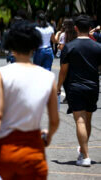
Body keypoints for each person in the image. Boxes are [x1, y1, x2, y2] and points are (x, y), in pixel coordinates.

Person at [0, 21, 59, 179]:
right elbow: (54, 120)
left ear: (11, 46)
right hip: (34, 153)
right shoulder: (48, 77)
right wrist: (48, 136)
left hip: (6, 152)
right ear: (34, 46)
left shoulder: (1, 73)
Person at [57, 15, 101, 167]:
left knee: (80, 120)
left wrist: (58, 87)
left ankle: (86, 156)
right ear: (90, 29)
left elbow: (63, 71)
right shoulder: (98, 47)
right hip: (93, 87)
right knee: (88, 119)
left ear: (75, 28)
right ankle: (83, 151)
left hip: (75, 87)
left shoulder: (69, 47)